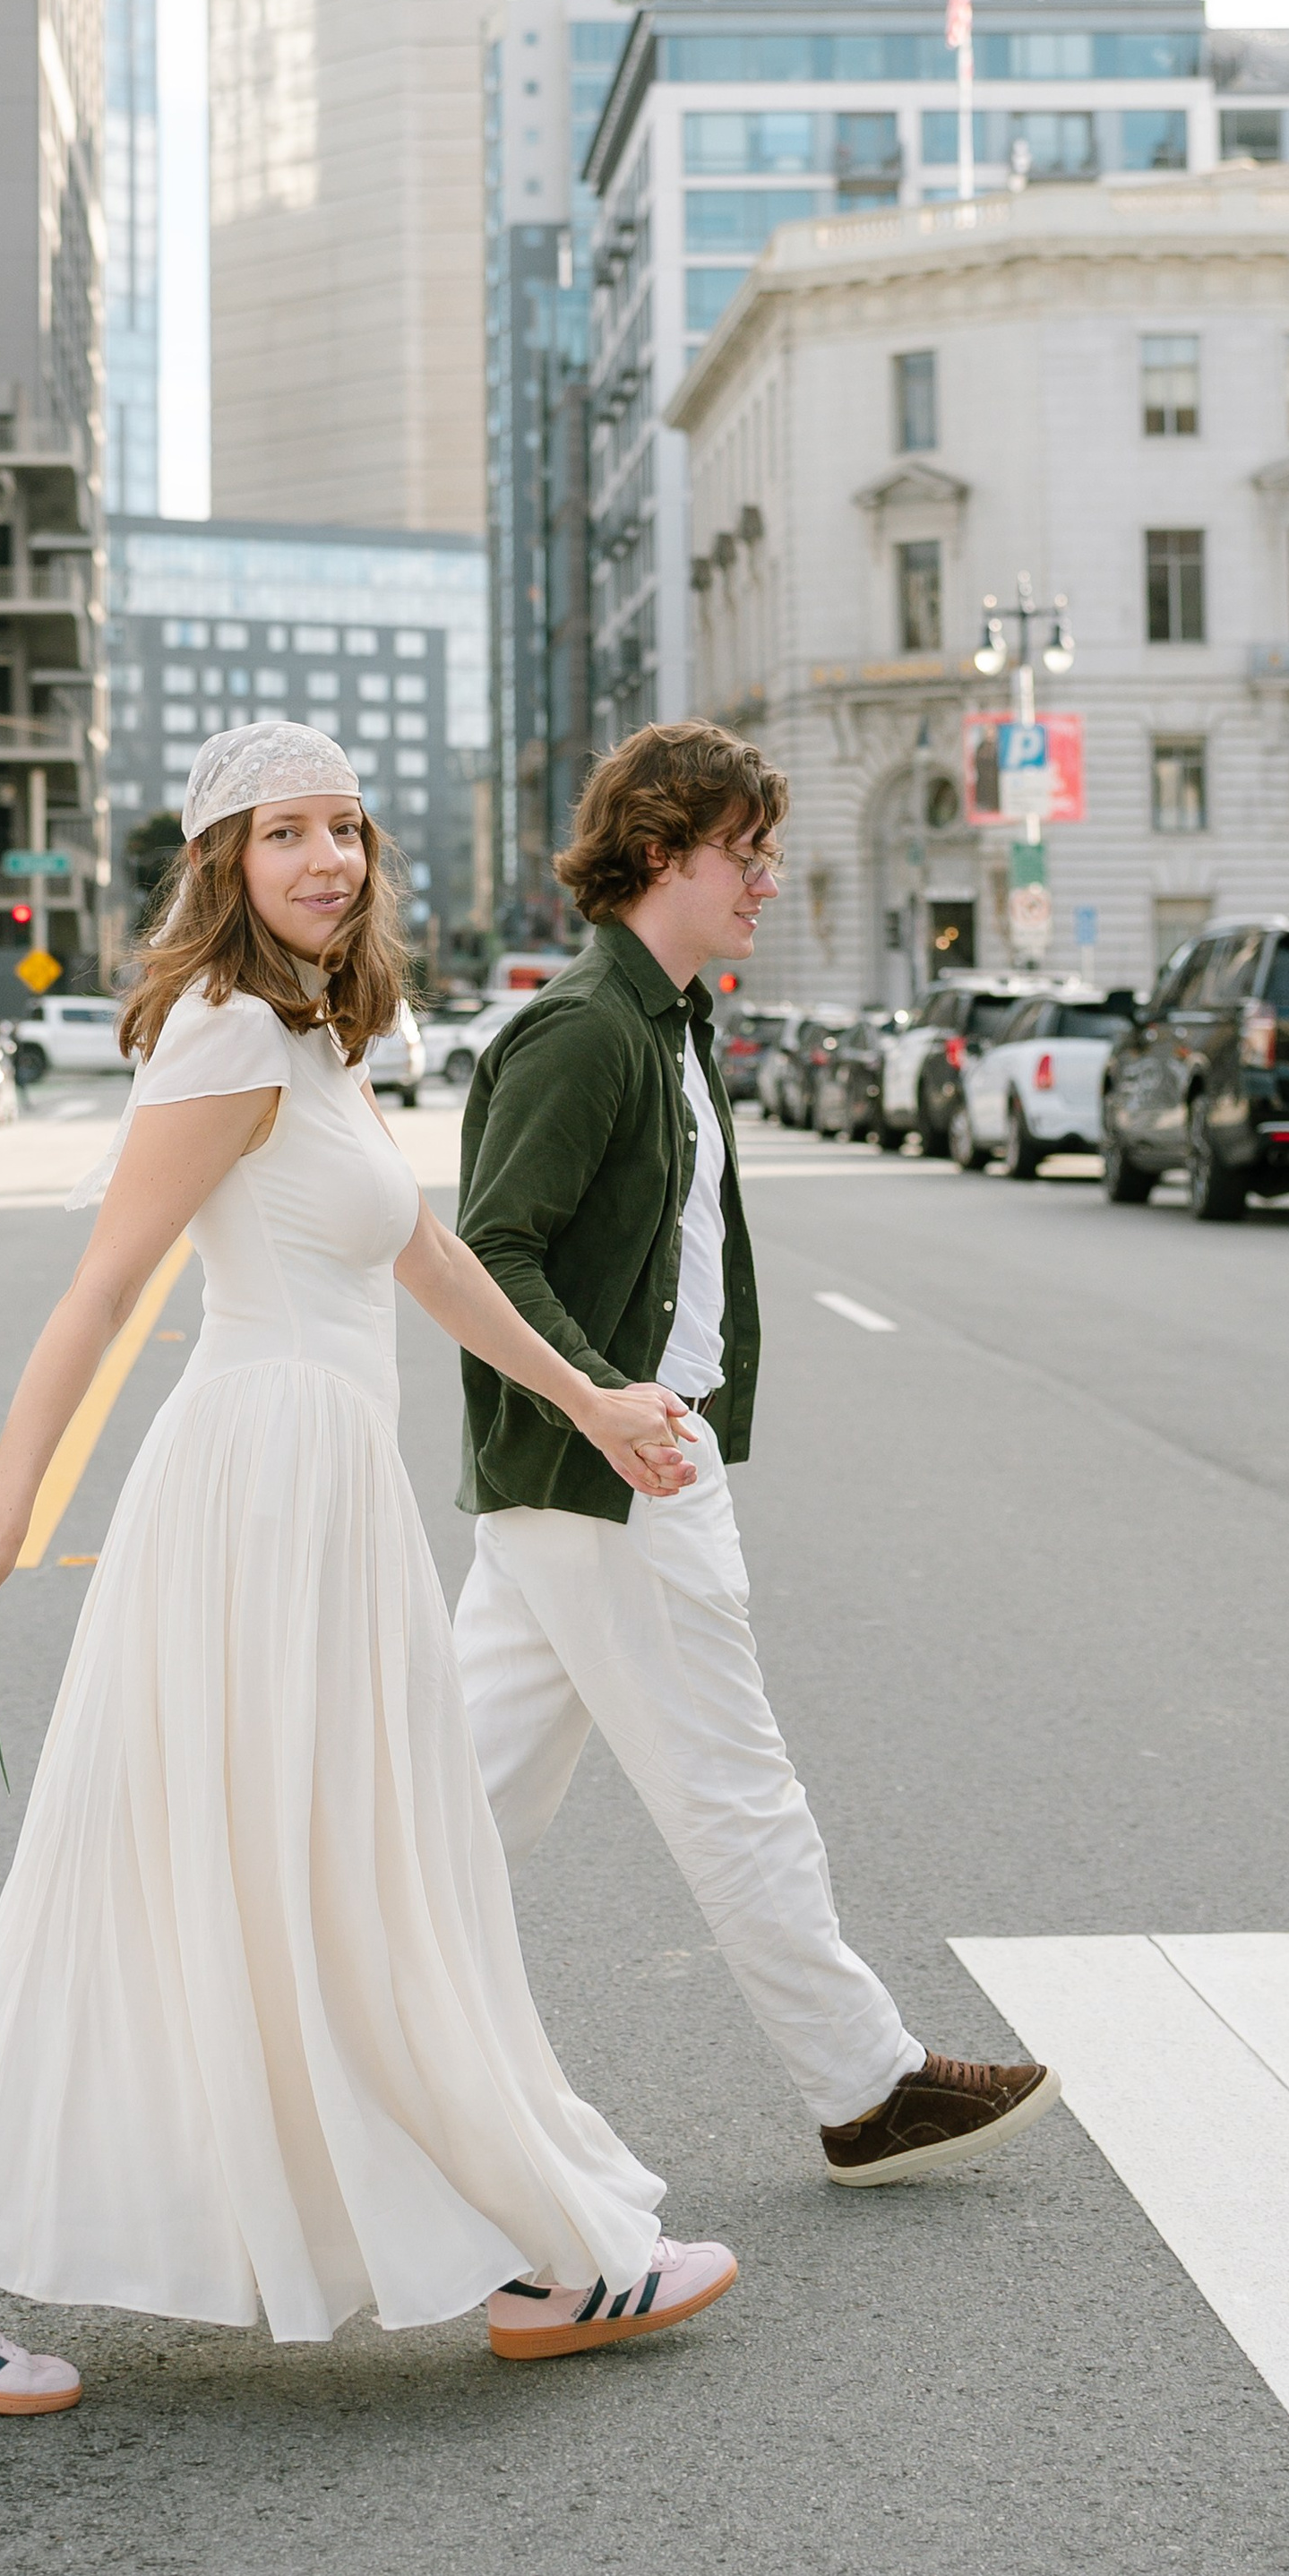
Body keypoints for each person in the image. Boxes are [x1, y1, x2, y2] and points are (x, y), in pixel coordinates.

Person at [0, 722, 738, 2416]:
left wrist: (592, 1400)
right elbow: (105, 1289)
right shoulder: (230, 1034)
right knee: (276, 1871)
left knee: (351, 1871)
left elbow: (434, 1258)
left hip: (323, 1496)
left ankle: (534, 2242)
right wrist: (7, 1513)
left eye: (348, 829)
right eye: (283, 834)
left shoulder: (317, 1038)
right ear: (221, 864)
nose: (329, 860)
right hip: (250, 1496)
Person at [453, 719, 1060, 2189]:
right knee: (735, 1787)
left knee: (448, 1809)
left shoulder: (664, 1019)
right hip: (616, 1475)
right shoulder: (588, 1028)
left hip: (604, 1474)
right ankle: (867, 2086)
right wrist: (613, 1399)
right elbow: (489, 1254)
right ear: (663, 851)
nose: (767, 883)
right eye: (748, 855)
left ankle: (303, 2017)